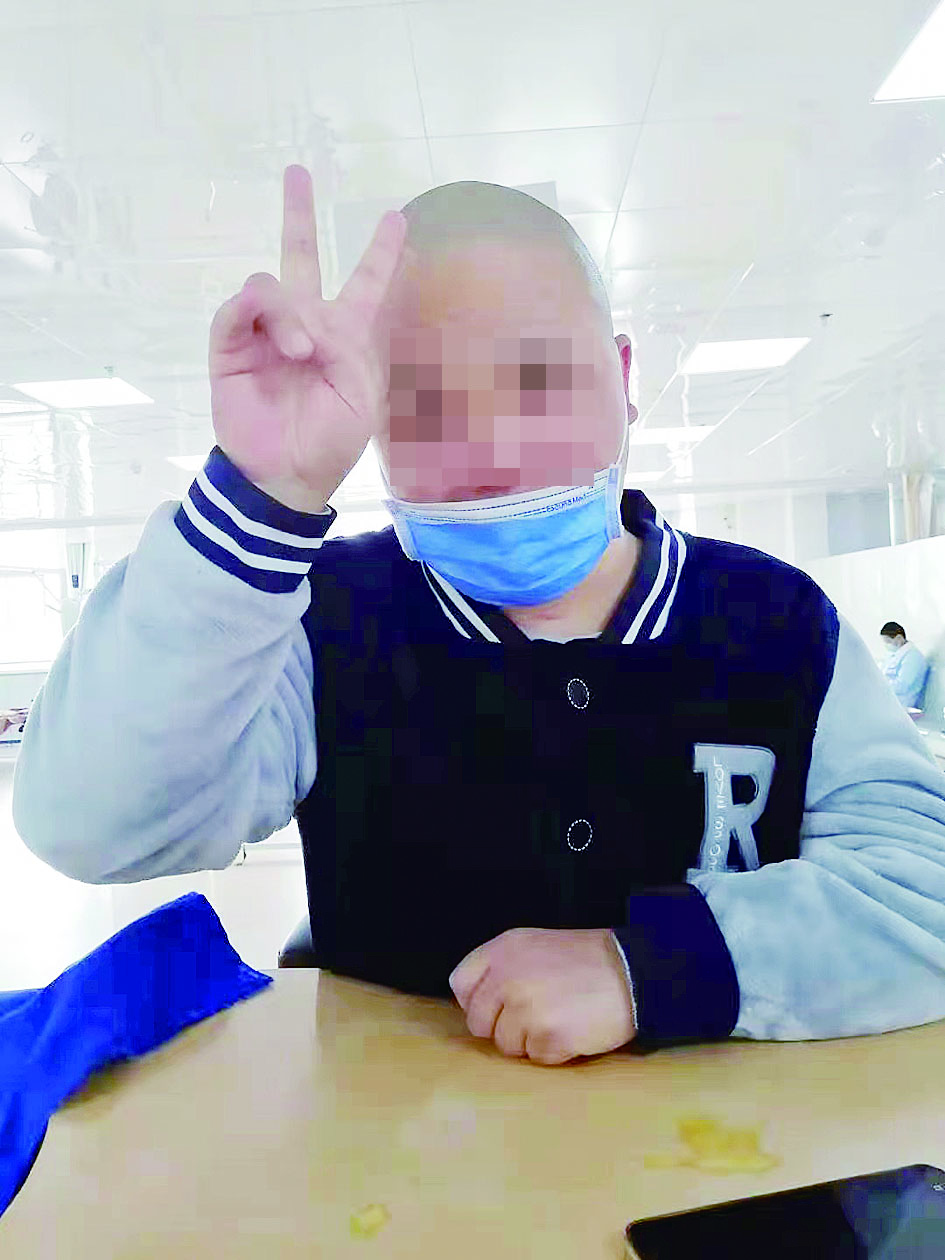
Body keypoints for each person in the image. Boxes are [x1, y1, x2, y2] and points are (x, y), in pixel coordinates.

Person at [12, 167, 945, 1066]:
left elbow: (925, 889)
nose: (491, 450)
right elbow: (92, 823)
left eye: (539, 379)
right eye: (421, 401)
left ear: (623, 375)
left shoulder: (780, 622)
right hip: (392, 1156)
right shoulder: (314, 624)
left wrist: (650, 968)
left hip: (741, 1154)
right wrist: (260, 499)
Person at [880, 621, 929, 710]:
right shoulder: (895, 654)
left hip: (903, 702)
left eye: (888, 642)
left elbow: (902, 686)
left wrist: (881, 685)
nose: (887, 645)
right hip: (890, 698)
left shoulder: (913, 656)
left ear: (899, 638)